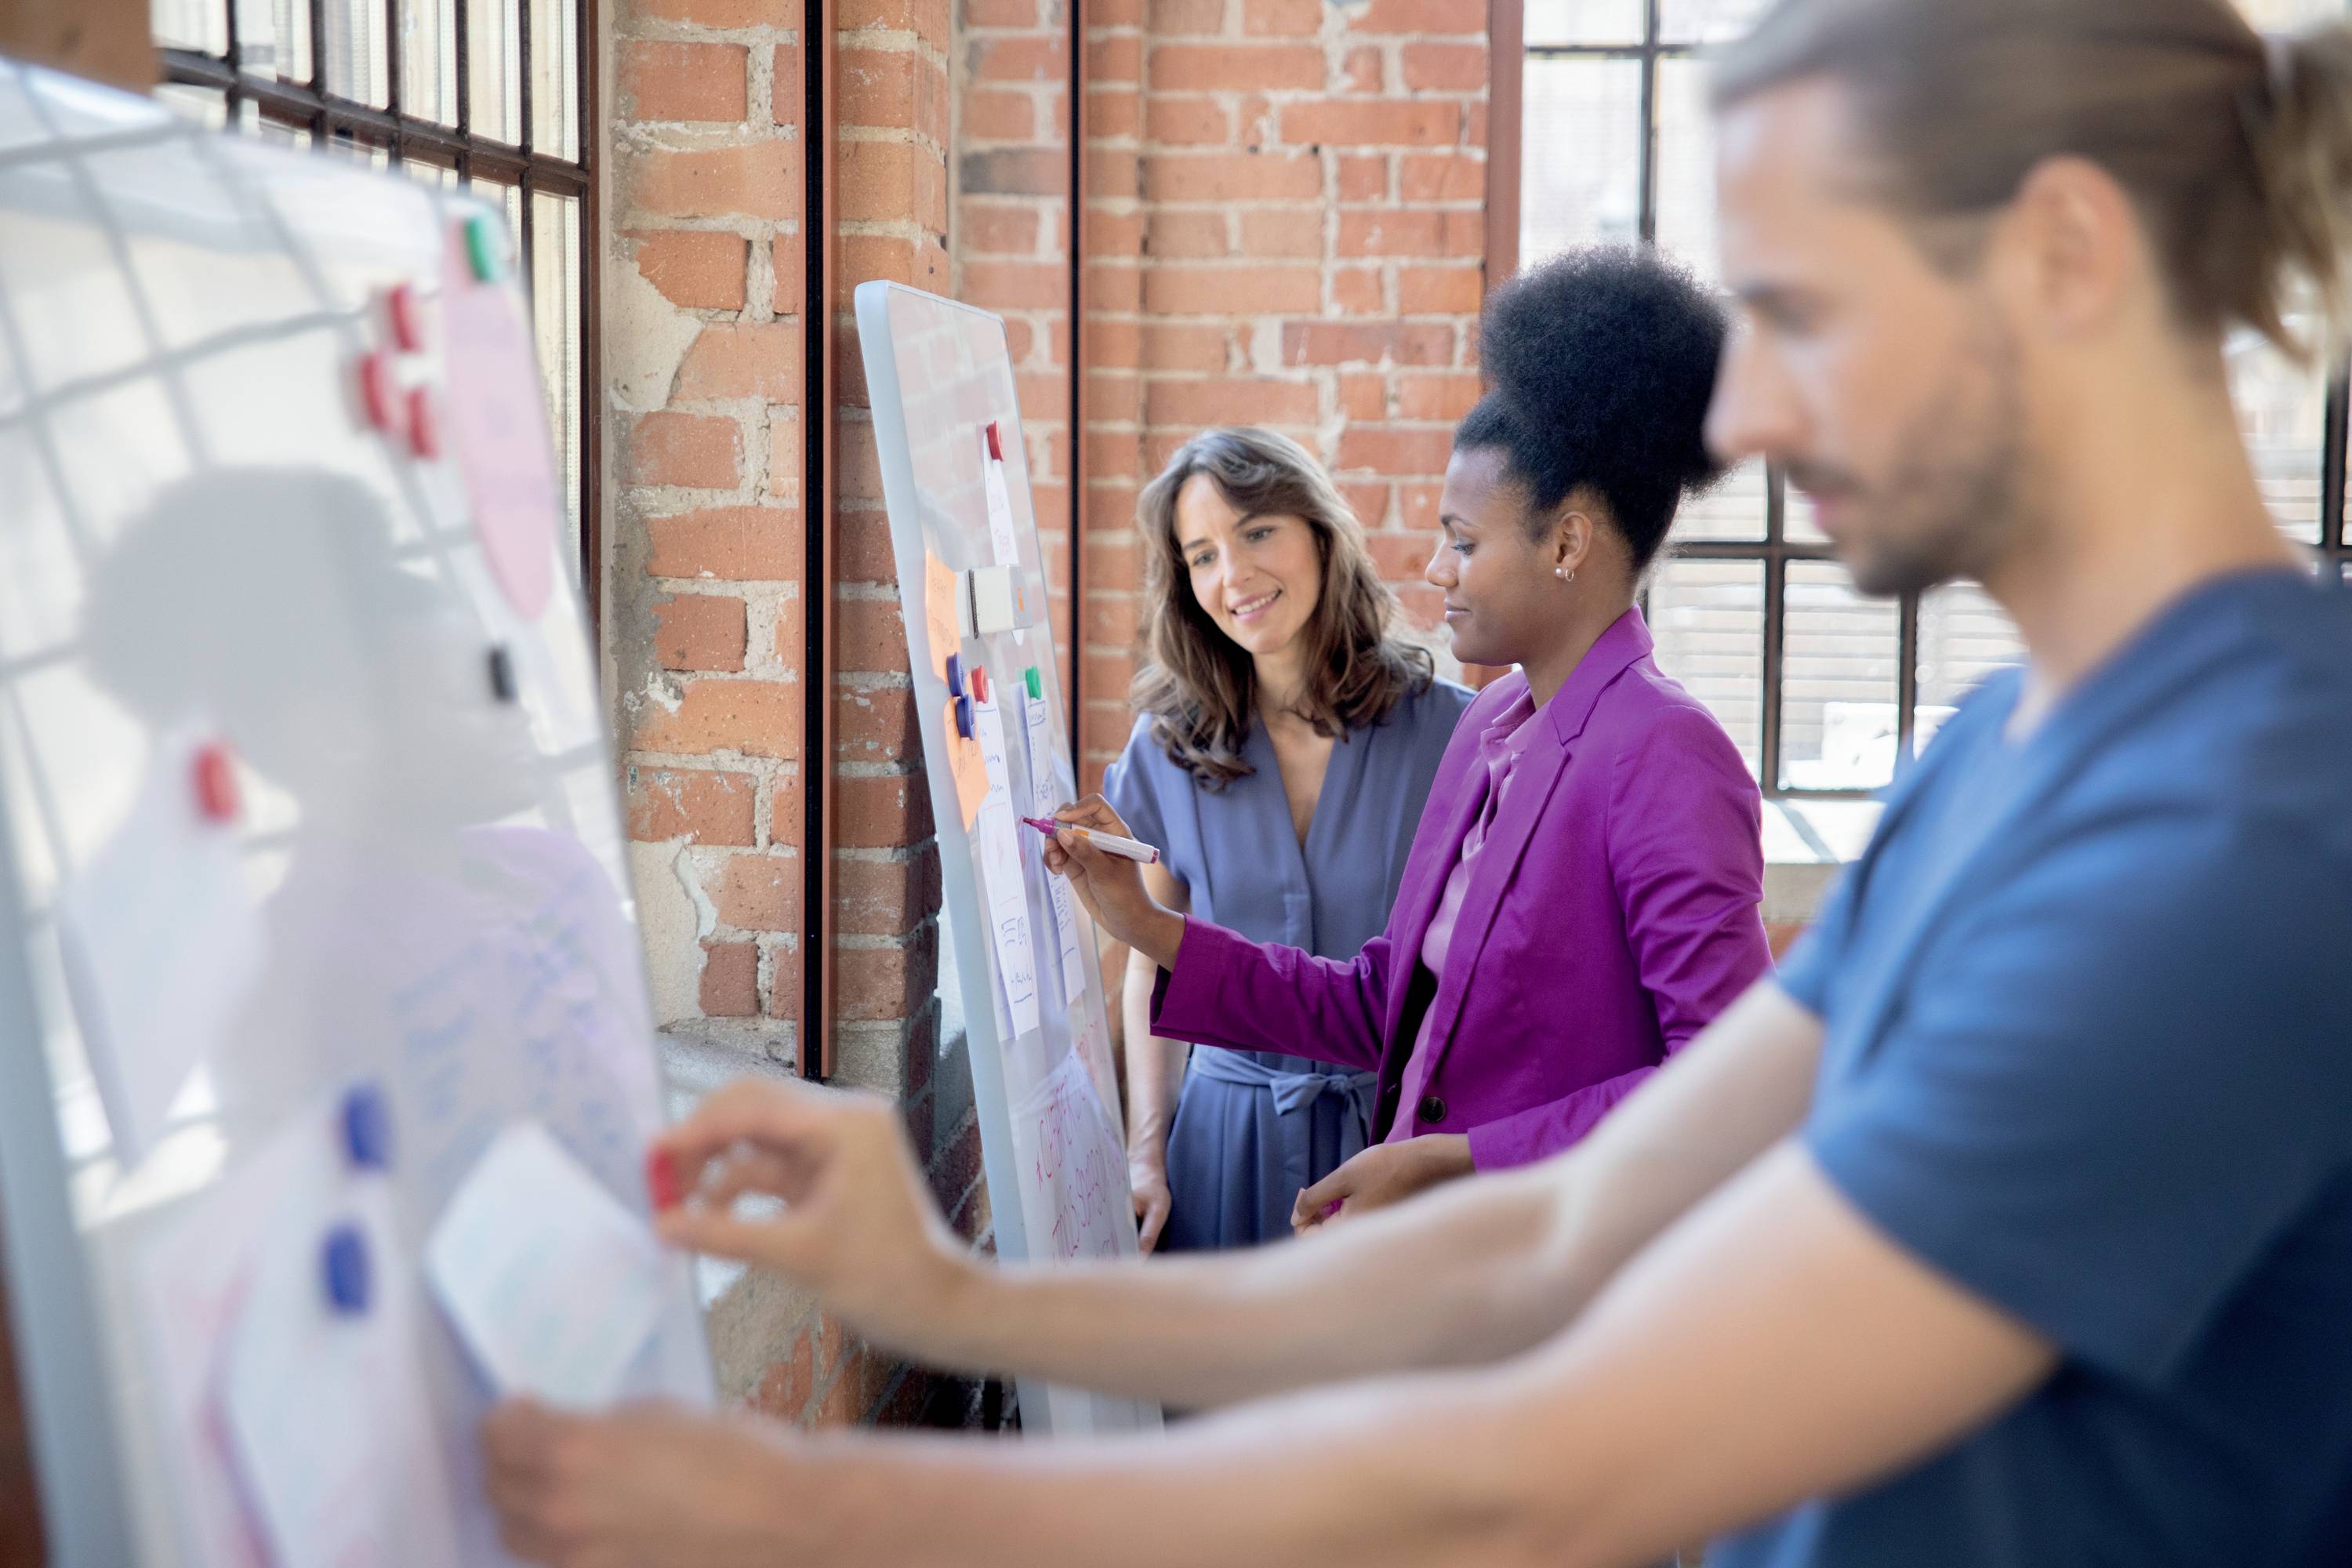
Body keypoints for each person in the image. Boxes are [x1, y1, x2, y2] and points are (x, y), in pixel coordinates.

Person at [481, 2, 2352, 1564]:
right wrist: (950, 1293)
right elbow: (1550, 1227)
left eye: (1801, 308)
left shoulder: (2235, 831)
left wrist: (807, 1502)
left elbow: (1545, 1456)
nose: (1742, 417)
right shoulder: (1994, 756)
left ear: (2062, 254)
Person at [1144, 247, 1773, 1225]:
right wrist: (1148, 928)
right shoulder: (1488, 726)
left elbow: (1728, 1093)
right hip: (1432, 1265)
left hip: (1550, 1281)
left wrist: (1465, 1161)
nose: (1435, 567)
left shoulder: (1666, 753)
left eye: (1465, 540)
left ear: (1566, 544)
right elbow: (1380, 1000)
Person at [1107, 428, 1473, 1253]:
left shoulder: (1450, 732)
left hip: (1389, 1152)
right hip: (1217, 1149)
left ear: (1320, 531)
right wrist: (1146, 1155)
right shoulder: (1168, 746)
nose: (1232, 576)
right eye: (1201, 555)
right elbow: (1150, 958)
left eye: (1257, 531)